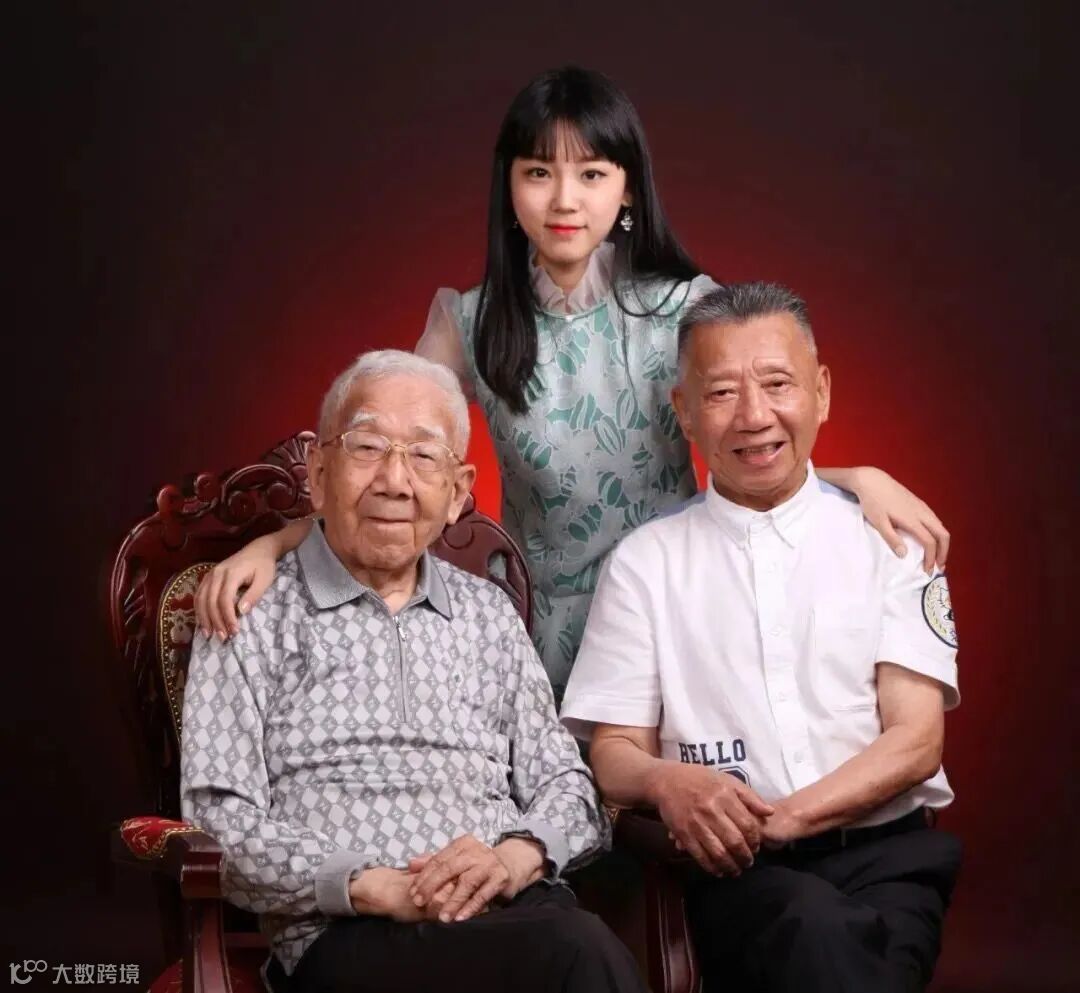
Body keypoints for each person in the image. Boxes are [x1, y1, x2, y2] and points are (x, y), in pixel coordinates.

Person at [193, 66, 949, 702]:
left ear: (628, 190)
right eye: (538, 173)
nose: (564, 200)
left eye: (591, 174)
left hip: (681, 617)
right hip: (536, 633)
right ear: (509, 186)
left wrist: (855, 479)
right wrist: (279, 541)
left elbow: (752, 442)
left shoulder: (683, 308)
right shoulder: (469, 323)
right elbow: (385, 462)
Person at [180, 350, 647, 993]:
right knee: (578, 957)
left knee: (577, 947)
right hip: (349, 933)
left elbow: (569, 786)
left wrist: (513, 859)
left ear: (457, 492)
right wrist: (372, 886)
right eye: (368, 446)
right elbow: (217, 818)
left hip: (510, 911)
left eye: (424, 455)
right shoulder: (249, 610)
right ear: (318, 472)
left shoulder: (487, 612)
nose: (395, 481)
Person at [560, 283, 962, 993]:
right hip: (737, 874)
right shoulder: (645, 562)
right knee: (814, 931)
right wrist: (667, 780)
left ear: (821, 391)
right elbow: (614, 751)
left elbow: (917, 740)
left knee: (837, 949)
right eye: (721, 392)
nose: (754, 415)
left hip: (887, 862)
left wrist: (781, 819)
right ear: (684, 411)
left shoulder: (892, 539)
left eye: (778, 384)